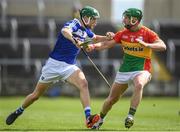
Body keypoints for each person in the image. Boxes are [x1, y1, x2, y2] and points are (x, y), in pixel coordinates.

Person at [6, 6, 112, 129]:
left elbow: (95, 38)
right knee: (36, 95)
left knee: (83, 84)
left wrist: (108, 37)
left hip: (69, 67)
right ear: (86, 18)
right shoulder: (74, 24)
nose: (95, 22)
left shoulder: (87, 31)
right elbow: (65, 31)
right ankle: (19, 110)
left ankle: (88, 118)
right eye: (94, 19)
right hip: (53, 65)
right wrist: (74, 40)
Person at [86, 8, 166, 129]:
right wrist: (93, 46)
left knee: (139, 84)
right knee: (111, 99)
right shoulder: (122, 33)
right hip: (125, 70)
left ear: (134, 20)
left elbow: (162, 46)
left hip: (142, 69)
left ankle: (130, 116)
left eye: (127, 17)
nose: (124, 19)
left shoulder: (147, 33)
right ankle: (100, 119)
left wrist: (147, 45)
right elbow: (106, 44)